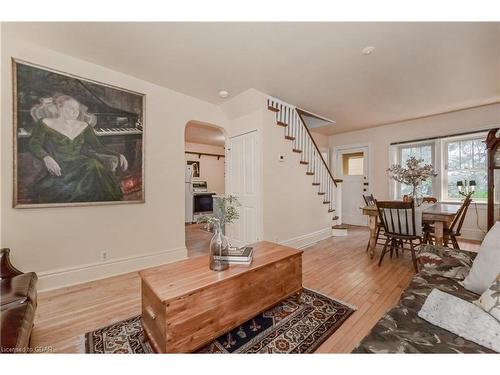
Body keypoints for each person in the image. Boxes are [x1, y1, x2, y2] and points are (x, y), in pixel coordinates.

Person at [28, 95, 128, 203]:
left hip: (80, 162)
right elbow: (34, 143)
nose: (75, 112)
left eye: (76, 109)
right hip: (59, 164)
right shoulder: (45, 123)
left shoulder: (84, 126)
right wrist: (46, 157)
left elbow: (98, 147)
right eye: (70, 108)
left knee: (93, 164)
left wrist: (118, 154)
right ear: (59, 108)